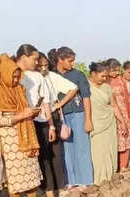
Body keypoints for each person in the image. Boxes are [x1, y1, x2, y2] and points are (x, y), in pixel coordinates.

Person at [0, 54, 42, 197]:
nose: (15, 80)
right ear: (4, 74)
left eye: (17, 77)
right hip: (8, 138)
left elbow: (24, 109)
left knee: (30, 166)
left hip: (25, 132)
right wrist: (21, 116)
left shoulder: (19, 89)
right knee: (13, 173)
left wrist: (30, 113)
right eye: (12, 77)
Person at [16, 45, 60, 197]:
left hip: (40, 121)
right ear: (24, 57)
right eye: (34, 59)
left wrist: (51, 125)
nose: (37, 62)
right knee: (26, 160)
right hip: (21, 123)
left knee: (45, 158)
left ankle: (49, 193)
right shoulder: (15, 76)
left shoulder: (38, 77)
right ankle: (28, 196)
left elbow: (46, 102)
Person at [50, 46, 94, 189]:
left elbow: (86, 97)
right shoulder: (51, 75)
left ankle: (85, 180)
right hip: (61, 117)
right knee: (66, 149)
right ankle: (71, 180)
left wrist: (88, 119)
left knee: (82, 147)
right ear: (60, 60)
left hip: (78, 113)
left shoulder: (78, 75)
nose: (72, 64)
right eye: (70, 61)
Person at [37, 53, 78, 197]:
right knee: (44, 157)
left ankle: (60, 188)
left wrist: (59, 104)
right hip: (36, 120)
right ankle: (48, 191)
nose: (43, 68)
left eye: (45, 65)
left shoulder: (51, 76)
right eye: (40, 65)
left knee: (57, 155)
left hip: (52, 117)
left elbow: (73, 88)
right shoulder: (29, 78)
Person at [88, 62, 126, 185]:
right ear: (93, 74)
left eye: (106, 76)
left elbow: (114, 106)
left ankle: (110, 177)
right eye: (102, 76)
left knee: (110, 150)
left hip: (109, 123)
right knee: (97, 152)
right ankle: (98, 180)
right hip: (95, 124)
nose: (104, 79)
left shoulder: (107, 87)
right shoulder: (85, 87)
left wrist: (123, 122)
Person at [107, 59, 130, 172]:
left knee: (126, 138)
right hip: (112, 113)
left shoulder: (121, 80)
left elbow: (127, 97)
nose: (116, 73)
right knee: (116, 140)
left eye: (118, 71)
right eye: (114, 70)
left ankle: (124, 166)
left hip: (124, 112)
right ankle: (115, 167)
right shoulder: (105, 81)